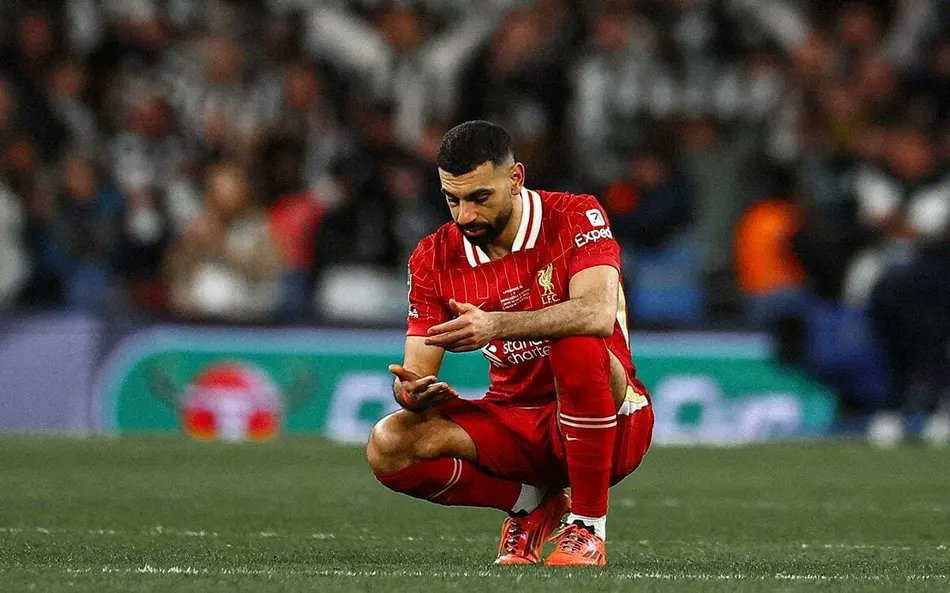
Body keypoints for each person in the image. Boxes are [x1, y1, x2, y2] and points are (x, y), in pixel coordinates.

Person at [366, 121, 654, 566]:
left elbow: (597, 314)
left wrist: (496, 325)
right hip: (516, 424)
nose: (465, 216)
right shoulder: (432, 257)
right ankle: (529, 503)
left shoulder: (574, 215)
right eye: (452, 200)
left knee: (573, 340)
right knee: (388, 443)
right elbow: (415, 370)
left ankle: (587, 527)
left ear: (515, 178)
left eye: (479, 197)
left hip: (613, 424)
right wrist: (411, 392)